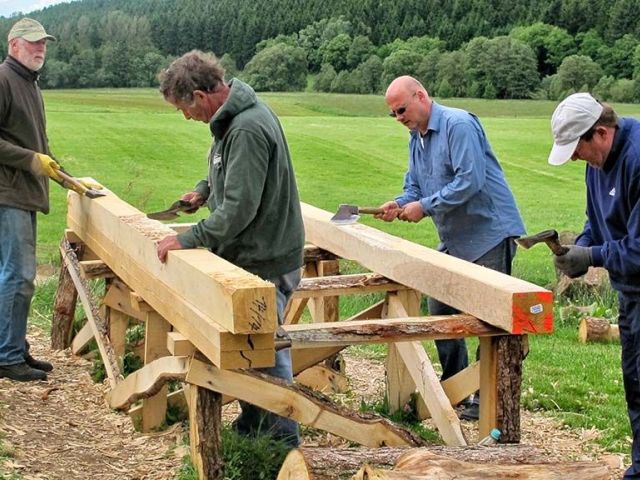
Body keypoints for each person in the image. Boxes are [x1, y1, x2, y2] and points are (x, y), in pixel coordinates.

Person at [156, 50, 304, 448]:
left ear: (200, 96)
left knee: (265, 350)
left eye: (184, 109)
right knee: (250, 347)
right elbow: (228, 174)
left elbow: (239, 209)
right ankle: (255, 427)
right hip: (253, 252)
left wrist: (188, 238)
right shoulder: (231, 121)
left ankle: (282, 445)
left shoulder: (247, 128)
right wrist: (203, 191)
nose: (186, 117)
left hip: (266, 256)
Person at [377, 76, 526, 420]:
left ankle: (488, 401)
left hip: (489, 232)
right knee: (440, 307)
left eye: (402, 110)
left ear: (421, 96)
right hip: (456, 238)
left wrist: (425, 207)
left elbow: (469, 181)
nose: (399, 118)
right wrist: (399, 203)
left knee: (491, 319)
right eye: (393, 114)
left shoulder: (458, 125)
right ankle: (456, 387)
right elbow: (415, 187)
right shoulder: (416, 138)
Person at [548, 92, 640, 478]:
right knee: (635, 384)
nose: (575, 158)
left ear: (600, 133)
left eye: (577, 149)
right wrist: (580, 248)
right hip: (631, 291)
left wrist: (592, 256)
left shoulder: (637, 159)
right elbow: (596, 220)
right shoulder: (597, 162)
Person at [0, 18, 63, 382]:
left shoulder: (29, 83)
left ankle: (12, 345)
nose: (41, 48)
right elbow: (26, 151)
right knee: (19, 275)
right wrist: (31, 160)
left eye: (44, 43)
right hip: (8, 193)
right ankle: (7, 357)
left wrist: (62, 173)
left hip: (23, 192)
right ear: (14, 45)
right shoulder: (3, 80)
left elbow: (36, 141)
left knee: (13, 275)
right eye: (33, 42)